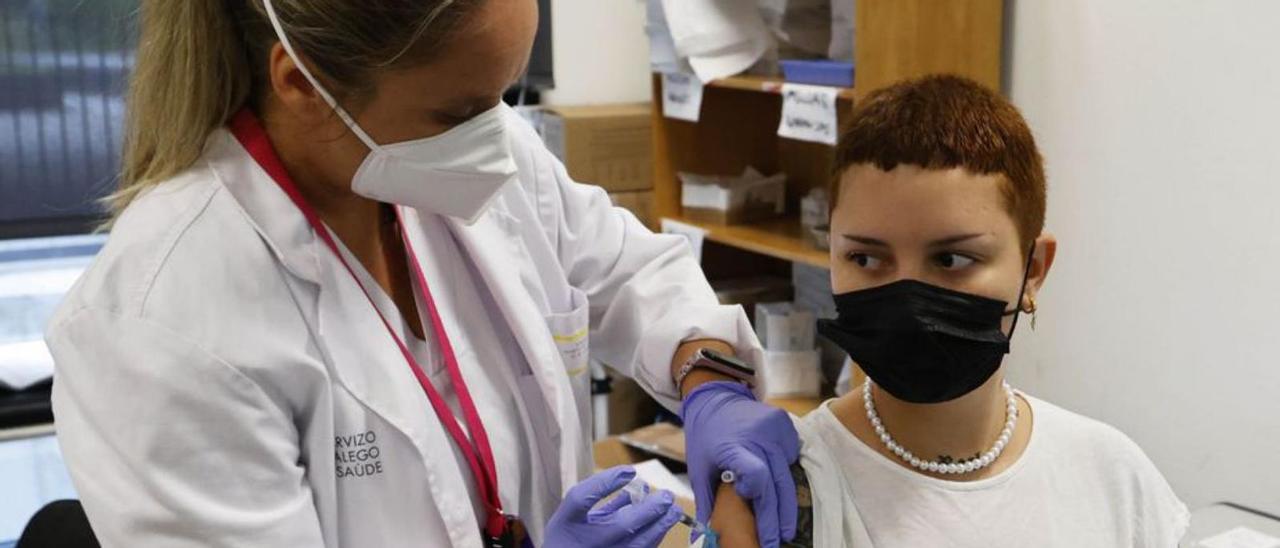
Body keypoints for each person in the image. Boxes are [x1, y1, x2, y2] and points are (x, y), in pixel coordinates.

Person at [44, 0, 801, 546]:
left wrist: (707, 382)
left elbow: (631, 273)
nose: (499, 140)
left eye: (505, 97)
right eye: (460, 110)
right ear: (301, 82)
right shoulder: (160, 322)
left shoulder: (452, 152)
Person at [707, 75, 1190, 547]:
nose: (908, 297)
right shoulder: (782, 494)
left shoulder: (1112, 476)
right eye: (866, 258)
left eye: (952, 259)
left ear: (1033, 268)